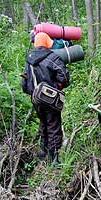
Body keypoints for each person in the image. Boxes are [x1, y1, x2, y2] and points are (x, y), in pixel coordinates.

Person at [21, 32, 70, 164]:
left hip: (36, 98)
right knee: (53, 125)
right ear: (48, 42)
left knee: (43, 122)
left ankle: (43, 150)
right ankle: (54, 159)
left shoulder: (29, 59)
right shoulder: (52, 57)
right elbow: (64, 78)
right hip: (50, 98)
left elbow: (24, 82)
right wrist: (58, 85)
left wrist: (31, 92)